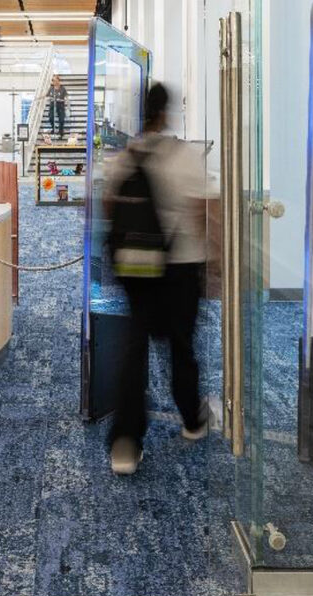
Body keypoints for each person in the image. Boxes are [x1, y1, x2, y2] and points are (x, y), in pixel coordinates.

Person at [105, 83, 208, 476]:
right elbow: (199, 215)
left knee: (134, 351)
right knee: (181, 346)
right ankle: (192, 420)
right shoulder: (185, 157)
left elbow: (109, 211)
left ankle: (125, 444)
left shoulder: (125, 158)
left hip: (136, 269)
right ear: (168, 113)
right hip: (180, 268)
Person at [48, 74, 68, 139]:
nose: (54, 82)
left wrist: (65, 101)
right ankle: (53, 128)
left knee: (61, 120)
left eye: (55, 80)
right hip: (52, 104)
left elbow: (66, 97)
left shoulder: (62, 88)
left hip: (60, 105)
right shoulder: (51, 88)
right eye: (53, 80)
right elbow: (47, 95)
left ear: (58, 81)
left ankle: (61, 132)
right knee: (51, 118)